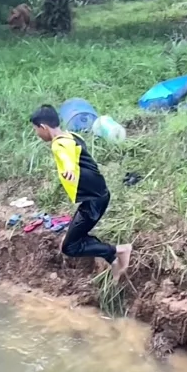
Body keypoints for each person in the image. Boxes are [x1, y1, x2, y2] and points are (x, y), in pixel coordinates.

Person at [30, 104, 132, 281]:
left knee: (70, 247)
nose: (36, 134)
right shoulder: (71, 136)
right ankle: (113, 261)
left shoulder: (59, 144)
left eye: (35, 130)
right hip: (96, 197)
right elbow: (73, 154)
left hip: (94, 201)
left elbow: (66, 156)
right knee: (76, 237)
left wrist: (69, 168)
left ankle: (119, 251)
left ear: (43, 127)